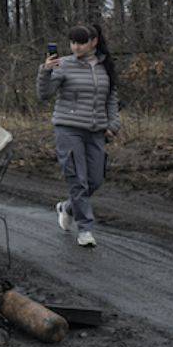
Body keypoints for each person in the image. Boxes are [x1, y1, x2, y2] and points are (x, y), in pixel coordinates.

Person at [36, 23, 121, 247]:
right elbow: (44, 94)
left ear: (93, 42)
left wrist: (113, 123)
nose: (76, 47)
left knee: (95, 179)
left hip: (96, 131)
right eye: (73, 42)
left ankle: (67, 207)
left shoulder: (105, 67)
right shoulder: (63, 64)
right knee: (78, 180)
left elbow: (111, 98)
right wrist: (45, 70)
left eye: (81, 42)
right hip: (68, 128)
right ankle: (85, 230)